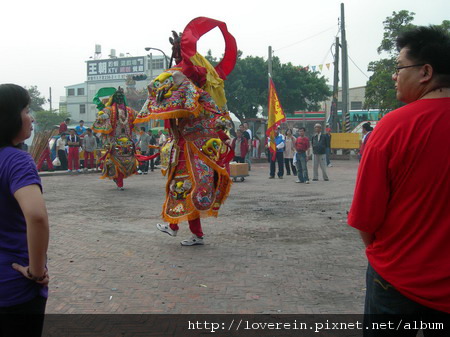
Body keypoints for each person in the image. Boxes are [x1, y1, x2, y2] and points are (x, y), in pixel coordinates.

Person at [348, 26, 450, 335]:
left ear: (425, 72)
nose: (395, 76)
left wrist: (385, 260)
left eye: (399, 68)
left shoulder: (393, 127)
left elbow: (366, 218)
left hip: (396, 277)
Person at [135, 17, 236, 246]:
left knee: (188, 187)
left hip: (194, 150)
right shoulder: (195, 95)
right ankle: (176, 227)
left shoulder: (195, 95)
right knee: (179, 186)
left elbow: (215, 119)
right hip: (185, 148)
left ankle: (188, 231)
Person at [0, 84, 49, 337]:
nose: (31, 117)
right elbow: (37, 216)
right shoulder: (17, 160)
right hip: (14, 287)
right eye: (26, 110)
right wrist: (36, 270)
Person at [92, 87, 139, 190]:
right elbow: (100, 120)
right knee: (114, 161)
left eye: (121, 97)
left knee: (128, 160)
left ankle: (120, 178)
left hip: (127, 142)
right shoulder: (108, 110)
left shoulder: (130, 111)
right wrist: (102, 116)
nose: (119, 98)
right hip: (114, 141)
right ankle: (119, 180)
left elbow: (138, 117)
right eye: (118, 97)